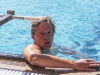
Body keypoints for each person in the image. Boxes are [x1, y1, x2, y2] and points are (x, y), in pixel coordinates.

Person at [23, 16, 100, 71]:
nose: (46, 37)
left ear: (54, 33)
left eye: (49, 32)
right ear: (33, 36)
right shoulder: (31, 47)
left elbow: (74, 53)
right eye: (42, 33)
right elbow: (35, 58)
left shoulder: (54, 46)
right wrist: (74, 64)